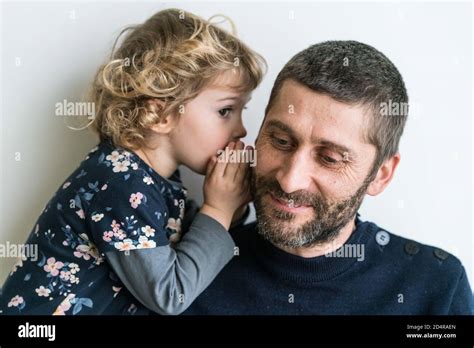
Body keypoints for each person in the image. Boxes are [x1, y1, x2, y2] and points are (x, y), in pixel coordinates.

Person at [0, 8, 265, 315]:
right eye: (226, 111)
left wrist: (232, 204)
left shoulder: (155, 181)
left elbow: (196, 244)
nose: (242, 128)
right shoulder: (116, 180)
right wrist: (220, 207)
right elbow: (171, 294)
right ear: (160, 115)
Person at [182, 40, 473, 315]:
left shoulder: (436, 287)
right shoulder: (187, 274)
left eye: (330, 159)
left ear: (380, 175)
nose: (290, 180)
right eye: (281, 141)